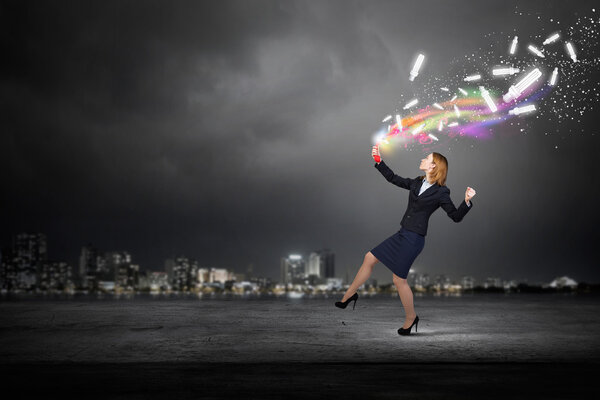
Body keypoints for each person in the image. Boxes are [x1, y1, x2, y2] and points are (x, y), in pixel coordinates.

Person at [335, 145, 476, 336]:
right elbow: (393, 178)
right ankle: (349, 295)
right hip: (402, 233)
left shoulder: (442, 192)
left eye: (427, 158)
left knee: (398, 280)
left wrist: (466, 201)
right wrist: (379, 161)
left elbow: (455, 216)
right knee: (369, 257)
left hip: (415, 238)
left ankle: (411, 318)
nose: (423, 159)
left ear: (434, 166)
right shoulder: (416, 183)